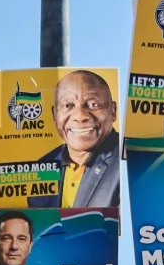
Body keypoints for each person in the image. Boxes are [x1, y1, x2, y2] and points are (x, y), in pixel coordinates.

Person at [35, 69, 121, 210]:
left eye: (93, 104)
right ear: (54, 115)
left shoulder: (128, 162)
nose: (80, 116)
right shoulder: (42, 168)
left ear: (113, 111)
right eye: (68, 105)